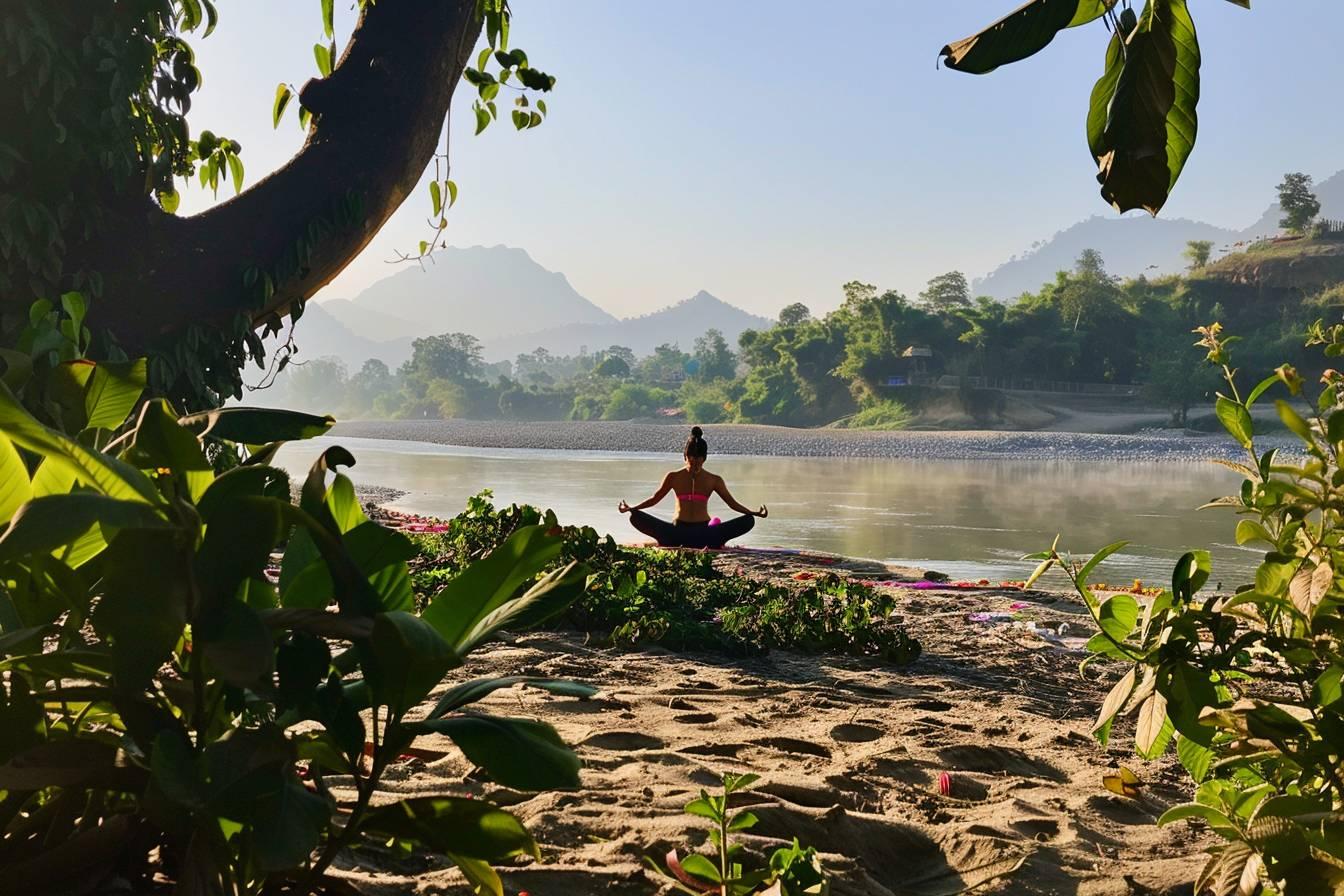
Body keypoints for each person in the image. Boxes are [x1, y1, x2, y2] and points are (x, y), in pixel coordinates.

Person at [618, 426, 767, 548]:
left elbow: (731, 503)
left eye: (699, 460)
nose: (695, 463)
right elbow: (655, 499)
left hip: (704, 533)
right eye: (691, 460)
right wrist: (632, 508)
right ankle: (666, 538)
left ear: (704, 459)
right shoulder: (673, 476)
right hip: (676, 532)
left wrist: (753, 512)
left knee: (748, 520)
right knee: (635, 516)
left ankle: (715, 540)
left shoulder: (714, 480)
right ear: (685, 457)